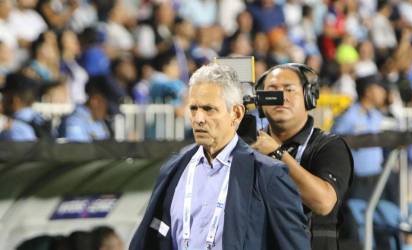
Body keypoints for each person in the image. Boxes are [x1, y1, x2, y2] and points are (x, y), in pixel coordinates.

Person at [130, 63, 310, 250]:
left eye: (209, 109)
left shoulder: (269, 175)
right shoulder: (173, 168)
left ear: (237, 113)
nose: (198, 118)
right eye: (193, 109)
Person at [251, 63, 353, 250]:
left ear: (308, 96)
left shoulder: (329, 146)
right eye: (272, 90)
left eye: (289, 90)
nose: (281, 97)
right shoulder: (249, 148)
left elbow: (323, 203)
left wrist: (277, 154)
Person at [57, 75, 120, 142]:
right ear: (95, 100)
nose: (107, 113)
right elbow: (78, 150)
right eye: (107, 107)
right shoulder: (74, 121)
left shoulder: (100, 123)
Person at [0, 73, 49, 141]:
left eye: (4, 97)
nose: (2, 102)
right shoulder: (41, 119)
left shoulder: (14, 129)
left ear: (15, 100)